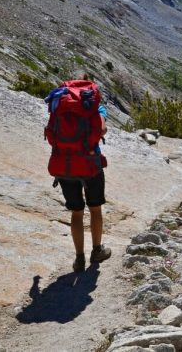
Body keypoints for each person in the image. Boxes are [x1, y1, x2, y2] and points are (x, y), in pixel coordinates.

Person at [52, 73, 112, 272]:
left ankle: (79, 258)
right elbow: (102, 130)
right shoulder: (94, 106)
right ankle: (97, 250)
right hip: (90, 162)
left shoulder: (59, 104)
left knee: (76, 212)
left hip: (64, 164)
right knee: (95, 208)